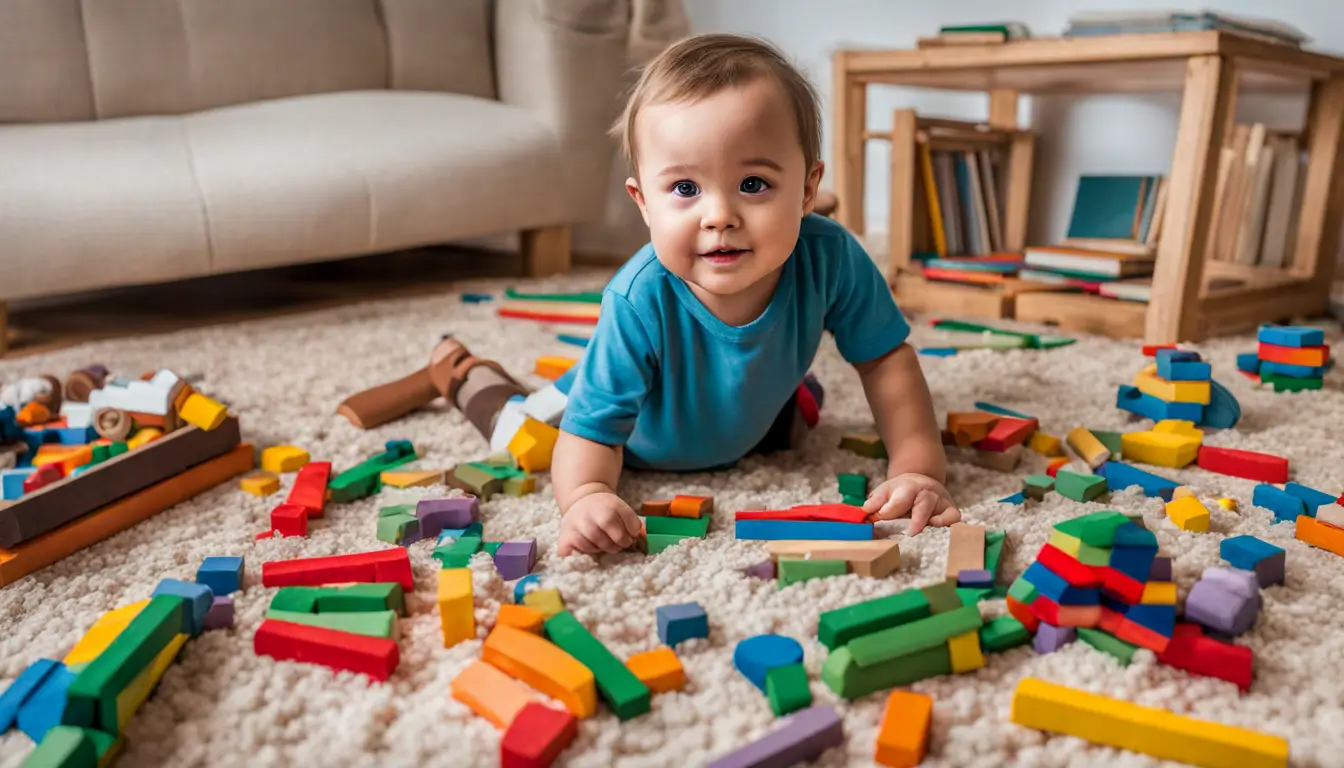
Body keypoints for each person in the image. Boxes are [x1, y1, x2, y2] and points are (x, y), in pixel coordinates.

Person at [547, 33, 961, 557]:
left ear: (808, 189)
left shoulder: (830, 257)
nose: (719, 215)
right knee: (518, 427)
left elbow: (886, 361)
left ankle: (787, 396)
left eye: (752, 184)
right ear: (643, 202)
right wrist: (586, 496)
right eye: (685, 189)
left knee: (798, 411)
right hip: (637, 444)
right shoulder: (636, 299)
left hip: (748, 419)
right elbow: (591, 434)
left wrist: (919, 470)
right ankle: (468, 376)